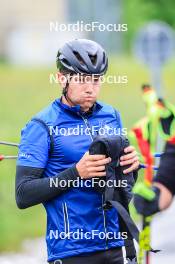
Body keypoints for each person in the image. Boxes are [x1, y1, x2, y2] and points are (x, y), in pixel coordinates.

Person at [15, 39, 139, 264]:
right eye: (81, 80)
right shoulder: (41, 126)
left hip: (114, 246)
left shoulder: (112, 116)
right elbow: (23, 194)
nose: (90, 88)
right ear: (62, 78)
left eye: (96, 80)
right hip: (71, 251)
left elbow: (121, 185)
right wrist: (76, 173)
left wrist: (131, 166)